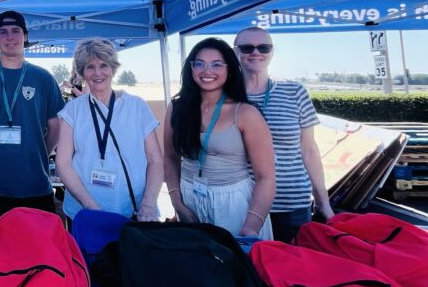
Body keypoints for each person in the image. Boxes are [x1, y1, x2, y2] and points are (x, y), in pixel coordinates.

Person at [0, 10, 65, 234]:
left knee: (38, 253)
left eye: (16, 31)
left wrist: (39, 153)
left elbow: (56, 126)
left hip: (35, 185)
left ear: (25, 36)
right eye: (3, 32)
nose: (10, 37)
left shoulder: (44, 78)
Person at [163, 37, 275, 239]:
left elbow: (265, 177)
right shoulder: (177, 108)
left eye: (216, 64)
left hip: (234, 205)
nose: (207, 71)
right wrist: (177, 203)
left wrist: (251, 226)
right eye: (200, 64)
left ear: (230, 70)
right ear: (191, 68)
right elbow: (170, 158)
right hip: (189, 199)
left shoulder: (245, 113)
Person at [235, 27, 334, 242]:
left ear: (272, 52)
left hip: (292, 203)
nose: (256, 52)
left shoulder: (294, 92)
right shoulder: (228, 98)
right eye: (246, 48)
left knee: (294, 270)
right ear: (236, 52)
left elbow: (309, 150)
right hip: (244, 204)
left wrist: (322, 201)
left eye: (264, 47)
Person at [55, 38, 165, 221]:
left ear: (113, 68)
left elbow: (155, 160)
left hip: (136, 211)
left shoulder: (137, 107)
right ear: (82, 72)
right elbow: (63, 162)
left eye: (103, 65)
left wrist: (148, 204)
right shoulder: (72, 111)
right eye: (90, 67)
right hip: (85, 213)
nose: (97, 73)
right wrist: (92, 209)